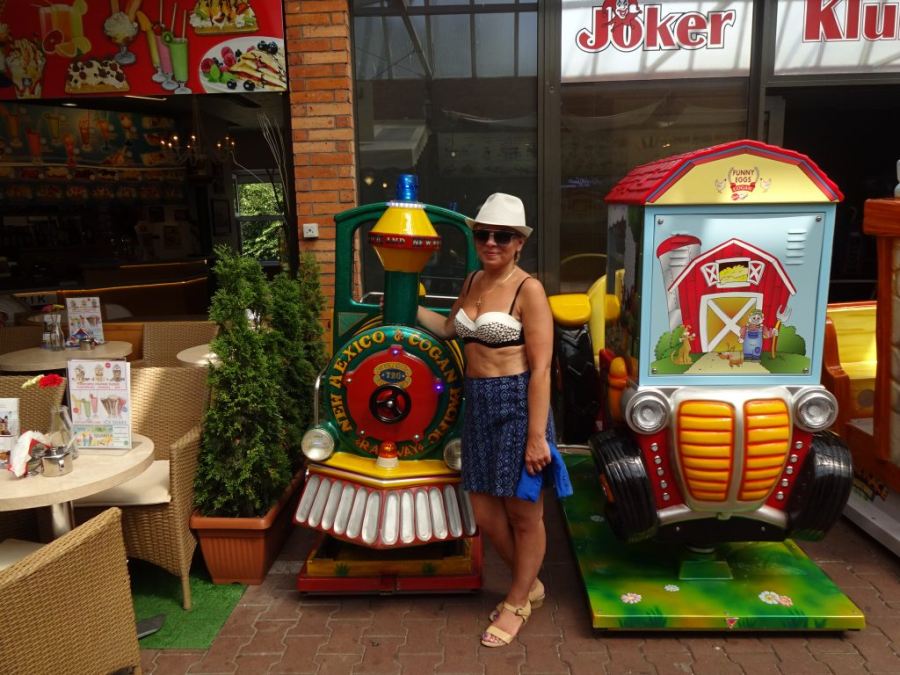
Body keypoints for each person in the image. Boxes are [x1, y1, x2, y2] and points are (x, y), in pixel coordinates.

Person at [417, 192, 568, 648]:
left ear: (519, 242)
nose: (491, 242)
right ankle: (529, 582)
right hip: (478, 404)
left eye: (502, 236)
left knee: (524, 513)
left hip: (519, 404)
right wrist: (403, 301)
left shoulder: (529, 290)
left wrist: (537, 437)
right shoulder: (472, 280)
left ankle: (517, 601)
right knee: (484, 511)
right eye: (483, 234)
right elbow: (449, 329)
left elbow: (541, 368)